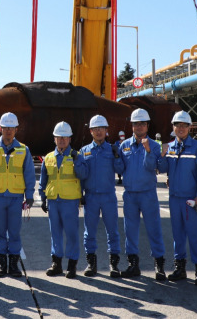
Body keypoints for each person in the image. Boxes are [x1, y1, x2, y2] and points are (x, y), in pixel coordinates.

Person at [0, 112, 36, 278]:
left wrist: (29, 195)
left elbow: (29, 174)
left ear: (16, 129)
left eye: (11, 128)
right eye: (5, 128)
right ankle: (2, 264)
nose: (8, 131)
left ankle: (14, 265)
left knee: (15, 231)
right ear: (0, 128)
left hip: (16, 197)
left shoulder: (23, 149)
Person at [158, 110, 197, 285]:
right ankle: (179, 268)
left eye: (184, 125)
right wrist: (163, 154)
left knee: (195, 234)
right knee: (177, 235)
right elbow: (163, 168)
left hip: (191, 199)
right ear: (173, 127)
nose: (181, 128)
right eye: (177, 125)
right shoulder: (170, 147)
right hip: (174, 198)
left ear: (189, 127)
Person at [118, 109, 166, 280]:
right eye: (136, 124)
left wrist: (147, 150)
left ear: (147, 126)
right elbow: (120, 169)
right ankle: (133, 264)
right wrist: (115, 157)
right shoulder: (124, 146)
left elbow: (152, 167)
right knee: (130, 230)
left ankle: (159, 265)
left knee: (154, 229)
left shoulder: (154, 145)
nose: (139, 127)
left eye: (142, 124)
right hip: (130, 194)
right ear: (132, 126)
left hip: (148, 194)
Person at [38, 121, 87, 279]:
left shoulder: (77, 156)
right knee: (55, 233)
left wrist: (76, 162)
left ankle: (72, 265)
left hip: (70, 201)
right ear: (54, 139)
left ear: (70, 139)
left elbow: (83, 175)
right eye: (59, 137)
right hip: (53, 201)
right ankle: (56, 264)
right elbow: (43, 179)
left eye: (65, 138)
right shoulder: (49, 157)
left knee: (72, 233)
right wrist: (43, 198)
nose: (62, 140)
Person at [79, 115, 125, 278]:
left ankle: (114, 264)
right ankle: (91, 263)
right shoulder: (84, 151)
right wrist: (80, 194)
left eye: (101, 129)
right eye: (95, 129)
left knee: (112, 231)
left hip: (108, 197)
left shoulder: (113, 149)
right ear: (91, 131)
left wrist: (117, 156)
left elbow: (120, 170)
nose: (98, 132)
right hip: (91, 197)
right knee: (89, 232)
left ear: (106, 131)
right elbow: (82, 175)